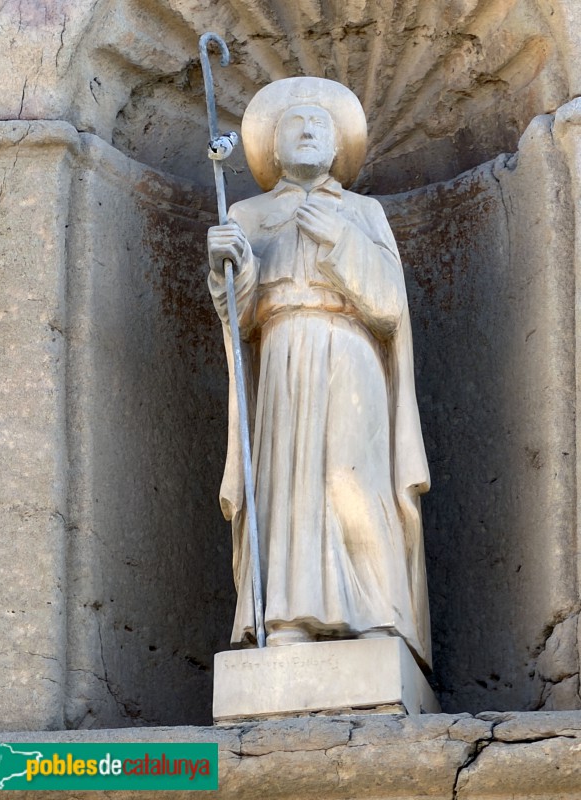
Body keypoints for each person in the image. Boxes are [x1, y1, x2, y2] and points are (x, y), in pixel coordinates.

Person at [207, 77, 432, 668]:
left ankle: (379, 616)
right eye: (294, 125)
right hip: (282, 354)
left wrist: (339, 243)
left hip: (351, 353)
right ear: (272, 149)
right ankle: (284, 619)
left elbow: (388, 306)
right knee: (288, 482)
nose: (308, 131)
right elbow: (242, 320)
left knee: (351, 478)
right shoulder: (248, 214)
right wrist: (228, 270)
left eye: (320, 125)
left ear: (338, 147)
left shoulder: (363, 212)